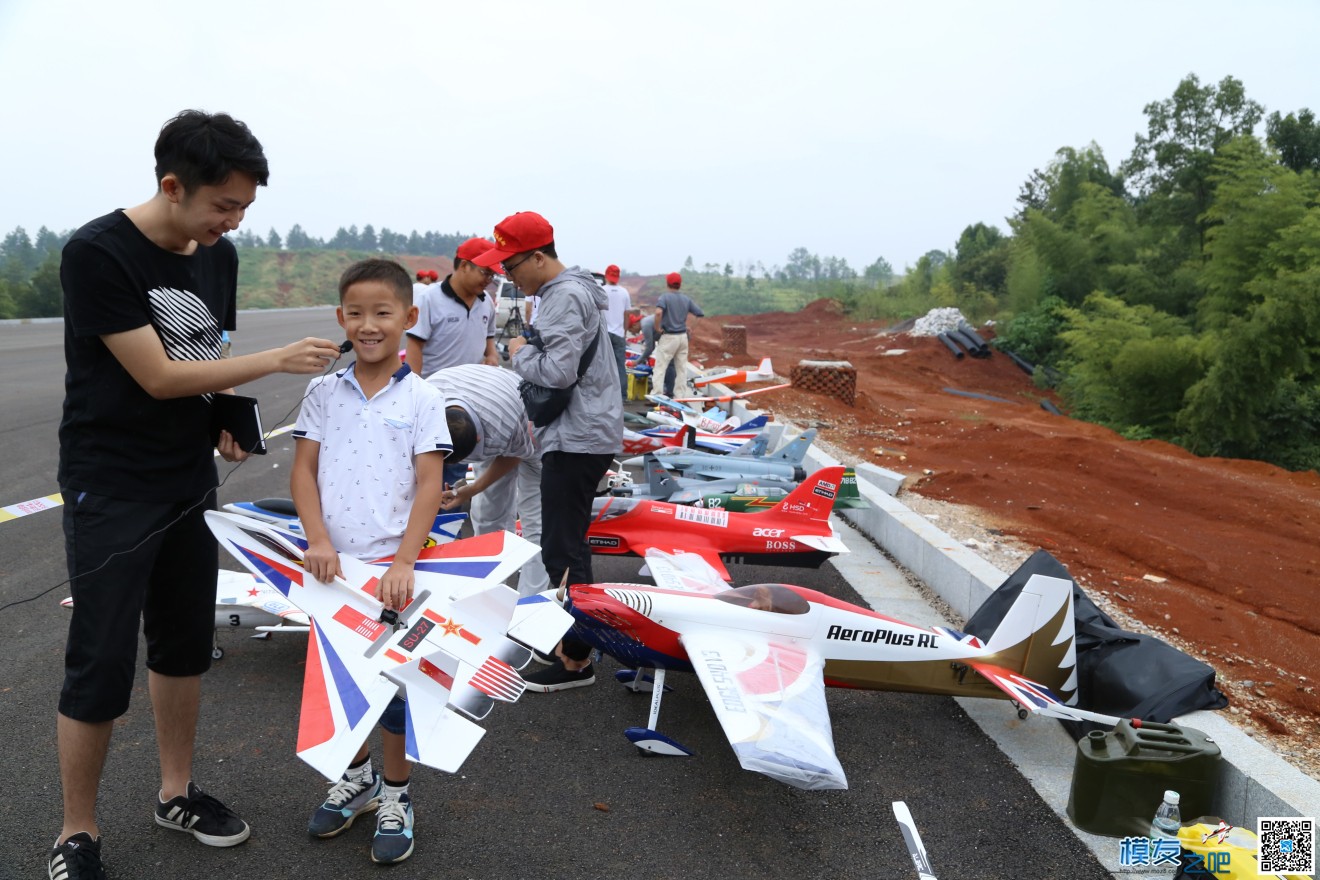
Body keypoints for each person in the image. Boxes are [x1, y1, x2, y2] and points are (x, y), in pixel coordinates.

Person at [51, 109, 342, 880]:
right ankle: (77, 831)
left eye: (244, 207)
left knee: (182, 645)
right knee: (101, 660)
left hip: (187, 479)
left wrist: (228, 418)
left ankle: (174, 791)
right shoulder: (98, 253)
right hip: (112, 483)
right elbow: (156, 374)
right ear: (173, 186)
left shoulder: (216, 254)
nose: (233, 221)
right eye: (223, 205)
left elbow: (204, 349)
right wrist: (274, 360)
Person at [290, 258, 462, 865]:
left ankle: (396, 793)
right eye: (356, 314)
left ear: (408, 319)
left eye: (382, 313)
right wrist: (318, 539)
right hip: (330, 571)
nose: (368, 325)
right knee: (341, 684)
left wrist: (405, 562)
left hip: (394, 573)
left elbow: (427, 484)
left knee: (393, 689)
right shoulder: (321, 392)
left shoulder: (424, 397)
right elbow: (304, 471)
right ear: (340, 319)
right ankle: (356, 778)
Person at [472, 211, 622, 691]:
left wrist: (518, 350)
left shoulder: (562, 298)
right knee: (568, 543)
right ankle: (576, 647)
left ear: (538, 257)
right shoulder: (573, 292)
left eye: (511, 265)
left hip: (577, 436)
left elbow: (556, 373)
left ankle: (577, 658)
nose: (506, 275)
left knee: (563, 549)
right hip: (583, 433)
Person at [428, 363, 548, 596]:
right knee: (486, 515)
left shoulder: (502, 426)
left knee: (536, 523)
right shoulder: (424, 402)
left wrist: (473, 488)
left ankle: (529, 601)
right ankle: (487, 594)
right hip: (486, 400)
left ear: (480, 438)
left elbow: (515, 455)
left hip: (534, 433)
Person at [406, 237, 502, 488]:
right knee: (426, 464)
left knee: (456, 466)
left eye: (492, 275)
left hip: (470, 400)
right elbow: (415, 345)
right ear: (463, 266)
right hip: (433, 396)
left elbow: (489, 342)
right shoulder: (429, 299)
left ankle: (448, 517)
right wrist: (414, 389)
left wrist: (491, 357)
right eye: (485, 272)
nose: (488, 280)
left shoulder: (486, 303)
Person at [651, 272, 704, 398]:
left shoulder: (665, 298)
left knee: (660, 367)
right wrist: (691, 328)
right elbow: (699, 314)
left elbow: (658, 313)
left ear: (667, 283)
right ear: (679, 284)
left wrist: (657, 328)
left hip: (669, 336)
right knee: (681, 368)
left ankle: (657, 395)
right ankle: (679, 396)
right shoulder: (686, 299)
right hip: (682, 337)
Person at [602, 264, 631, 399]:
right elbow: (627, 315)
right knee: (620, 366)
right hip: (619, 334)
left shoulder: (601, 291)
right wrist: (624, 332)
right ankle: (622, 396)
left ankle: (604, 395)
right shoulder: (624, 293)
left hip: (605, 334)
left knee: (603, 365)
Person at [637, 312, 676, 397]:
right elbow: (652, 345)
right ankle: (669, 392)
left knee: (662, 366)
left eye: (631, 329)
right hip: (675, 335)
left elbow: (650, 348)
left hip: (670, 337)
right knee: (670, 365)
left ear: (635, 324)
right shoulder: (647, 321)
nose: (632, 332)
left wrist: (638, 361)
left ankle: (660, 395)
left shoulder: (645, 325)